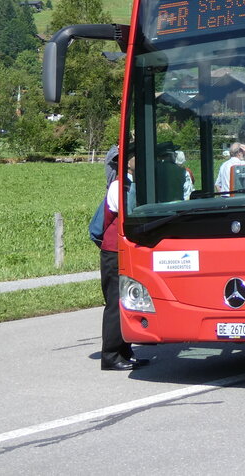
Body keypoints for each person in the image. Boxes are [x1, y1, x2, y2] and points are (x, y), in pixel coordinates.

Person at [99, 149, 148, 371]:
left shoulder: (128, 184)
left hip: (122, 250)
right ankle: (110, 354)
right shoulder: (119, 186)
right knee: (114, 303)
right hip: (113, 251)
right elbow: (127, 212)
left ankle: (125, 351)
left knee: (126, 300)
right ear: (127, 163)